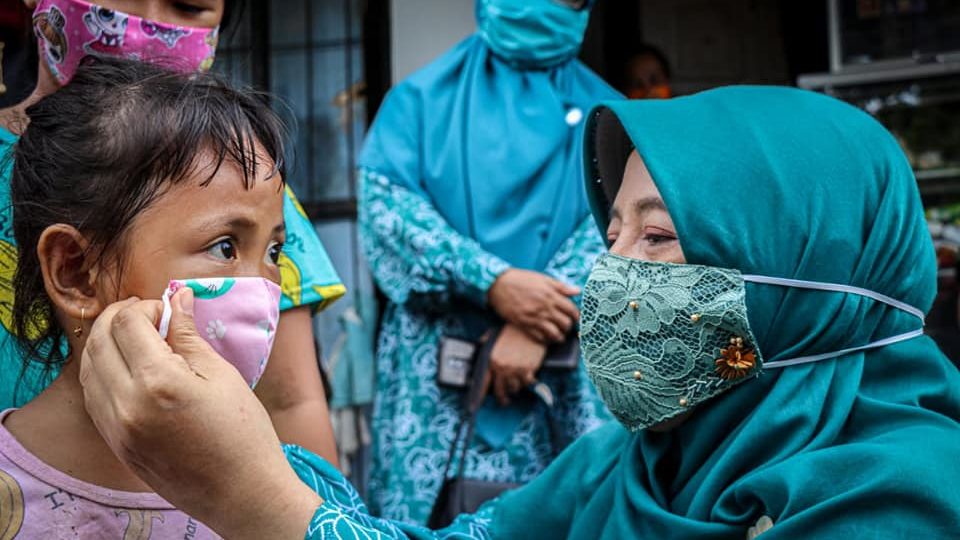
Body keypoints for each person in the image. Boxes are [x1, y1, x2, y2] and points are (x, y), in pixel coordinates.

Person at [83, 84, 960, 539]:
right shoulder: (624, 466)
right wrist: (250, 470)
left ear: (806, 270)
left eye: (658, 240)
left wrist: (253, 502)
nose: (607, 277)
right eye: (610, 235)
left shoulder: (901, 498)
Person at [0, 0, 344, 462]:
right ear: (72, 267)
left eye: (187, 5)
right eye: (223, 246)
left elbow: (290, 401)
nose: (145, 27)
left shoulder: (248, 190)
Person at [357, 0, 620, 522]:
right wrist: (493, 282)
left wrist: (539, 321)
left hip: (567, 379)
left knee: (572, 517)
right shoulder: (418, 102)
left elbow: (627, 230)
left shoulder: (614, 117)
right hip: (436, 383)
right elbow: (387, 210)